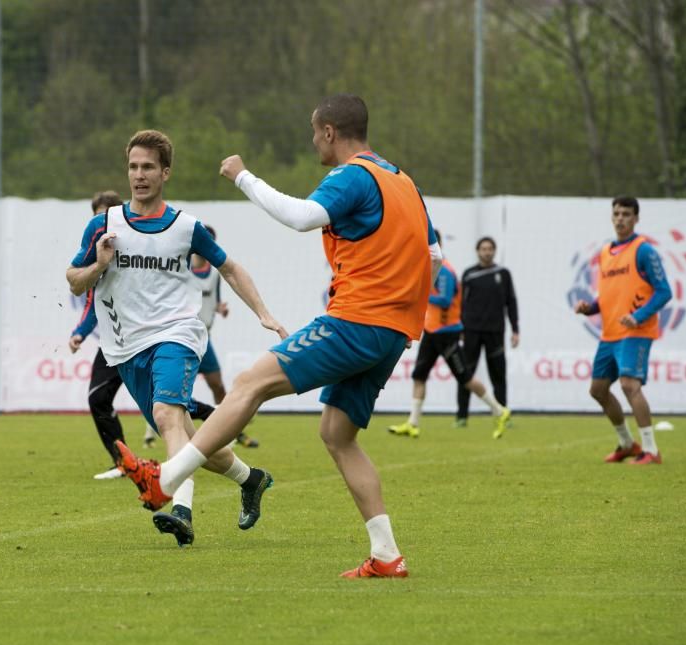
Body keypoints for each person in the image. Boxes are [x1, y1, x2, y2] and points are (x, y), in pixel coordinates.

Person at [116, 94, 442, 578]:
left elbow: (302, 217)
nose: (314, 142)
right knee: (337, 435)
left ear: (329, 131)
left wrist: (243, 176)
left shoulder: (355, 175)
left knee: (251, 383)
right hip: (391, 331)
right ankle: (387, 556)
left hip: (356, 320)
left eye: (315, 133)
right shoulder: (404, 181)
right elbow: (433, 255)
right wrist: (405, 316)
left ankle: (166, 479)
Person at [65, 130, 285, 547]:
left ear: (165, 172)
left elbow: (231, 269)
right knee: (187, 436)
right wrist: (98, 265)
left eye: (148, 166)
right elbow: (75, 282)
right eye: (133, 166)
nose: (139, 175)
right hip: (125, 348)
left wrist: (264, 313)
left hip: (177, 335)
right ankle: (250, 478)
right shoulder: (103, 226)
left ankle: (181, 511)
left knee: (168, 416)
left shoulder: (187, 228)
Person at [68, 191, 219, 480]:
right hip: (116, 342)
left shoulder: (145, 239)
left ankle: (213, 426)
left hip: (156, 337)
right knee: (100, 398)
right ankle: (123, 463)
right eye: (98, 215)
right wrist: (80, 333)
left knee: (167, 407)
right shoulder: (100, 247)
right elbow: (88, 297)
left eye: (107, 213)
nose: (104, 221)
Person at [141, 224, 260, 449]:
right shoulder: (180, 270)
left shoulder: (215, 274)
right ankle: (153, 432)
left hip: (204, 338)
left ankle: (234, 432)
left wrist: (220, 308)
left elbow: (213, 301)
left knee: (217, 385)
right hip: (180, 336)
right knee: (171, 389)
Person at [574, 196, 671, 464]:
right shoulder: (605, 253)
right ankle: (627, 444)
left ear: (636, 218)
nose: (620, 219)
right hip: (610, 334)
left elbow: (664, 292)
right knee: (598, 390)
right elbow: (608, 297)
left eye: (626, 214)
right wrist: (589, 308)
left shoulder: (644, 250)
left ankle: (651, 450)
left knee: (629, 384)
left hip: (636, 332)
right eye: (616, 213)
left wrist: (638, 316)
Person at [389, 230, 510, 439]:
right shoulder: (427, 269)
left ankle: (499, 410)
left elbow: (445, 300)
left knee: (466, 379)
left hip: (447, 333)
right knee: (419, 376)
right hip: (431, 331)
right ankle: (413, 423)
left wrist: (419, 295)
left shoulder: (444, 271)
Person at [454, 236, 519, 427]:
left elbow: (511, 302)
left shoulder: (503, 274)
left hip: (495, 331)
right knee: (466, 374)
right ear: (477, 251)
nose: (487, 252)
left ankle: (502, 413)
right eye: (483, 248)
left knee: (498, 375)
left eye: (490, 248)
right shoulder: (469, 274)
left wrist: (515, 329)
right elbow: (459, 304)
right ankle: (461, 416)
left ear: (494, 251)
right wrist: (460, 327)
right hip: (471, 331)